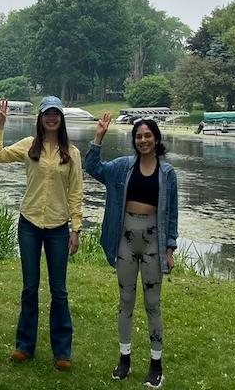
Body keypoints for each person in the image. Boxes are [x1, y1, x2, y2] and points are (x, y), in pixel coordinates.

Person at [84, 114, 178, 389]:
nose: (143, 140)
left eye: (148, 135)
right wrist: (99, 136)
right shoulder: (124, 167)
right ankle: (124, 359)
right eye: (139, 136)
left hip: (153, 242)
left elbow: (172, 212)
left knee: (152, 303)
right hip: (125, 238)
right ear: (134, 140)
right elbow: (92, 167)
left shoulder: (167, 173)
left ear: (156, 139)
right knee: (125, 301)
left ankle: (156, 364)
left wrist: (170, 248)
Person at [0, 96, 83, 370]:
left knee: (59, 290)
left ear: (61, 118)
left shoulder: (72, 153)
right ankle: (25, 345)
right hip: (29, 223)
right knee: (30, 287)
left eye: (55, 114)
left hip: (58, 227)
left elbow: (76, 193)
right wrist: (0, 125)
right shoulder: (30, 146)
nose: (51, 118)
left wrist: (75, 228)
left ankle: (62, 351)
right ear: (40, 118)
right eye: (46, 114)